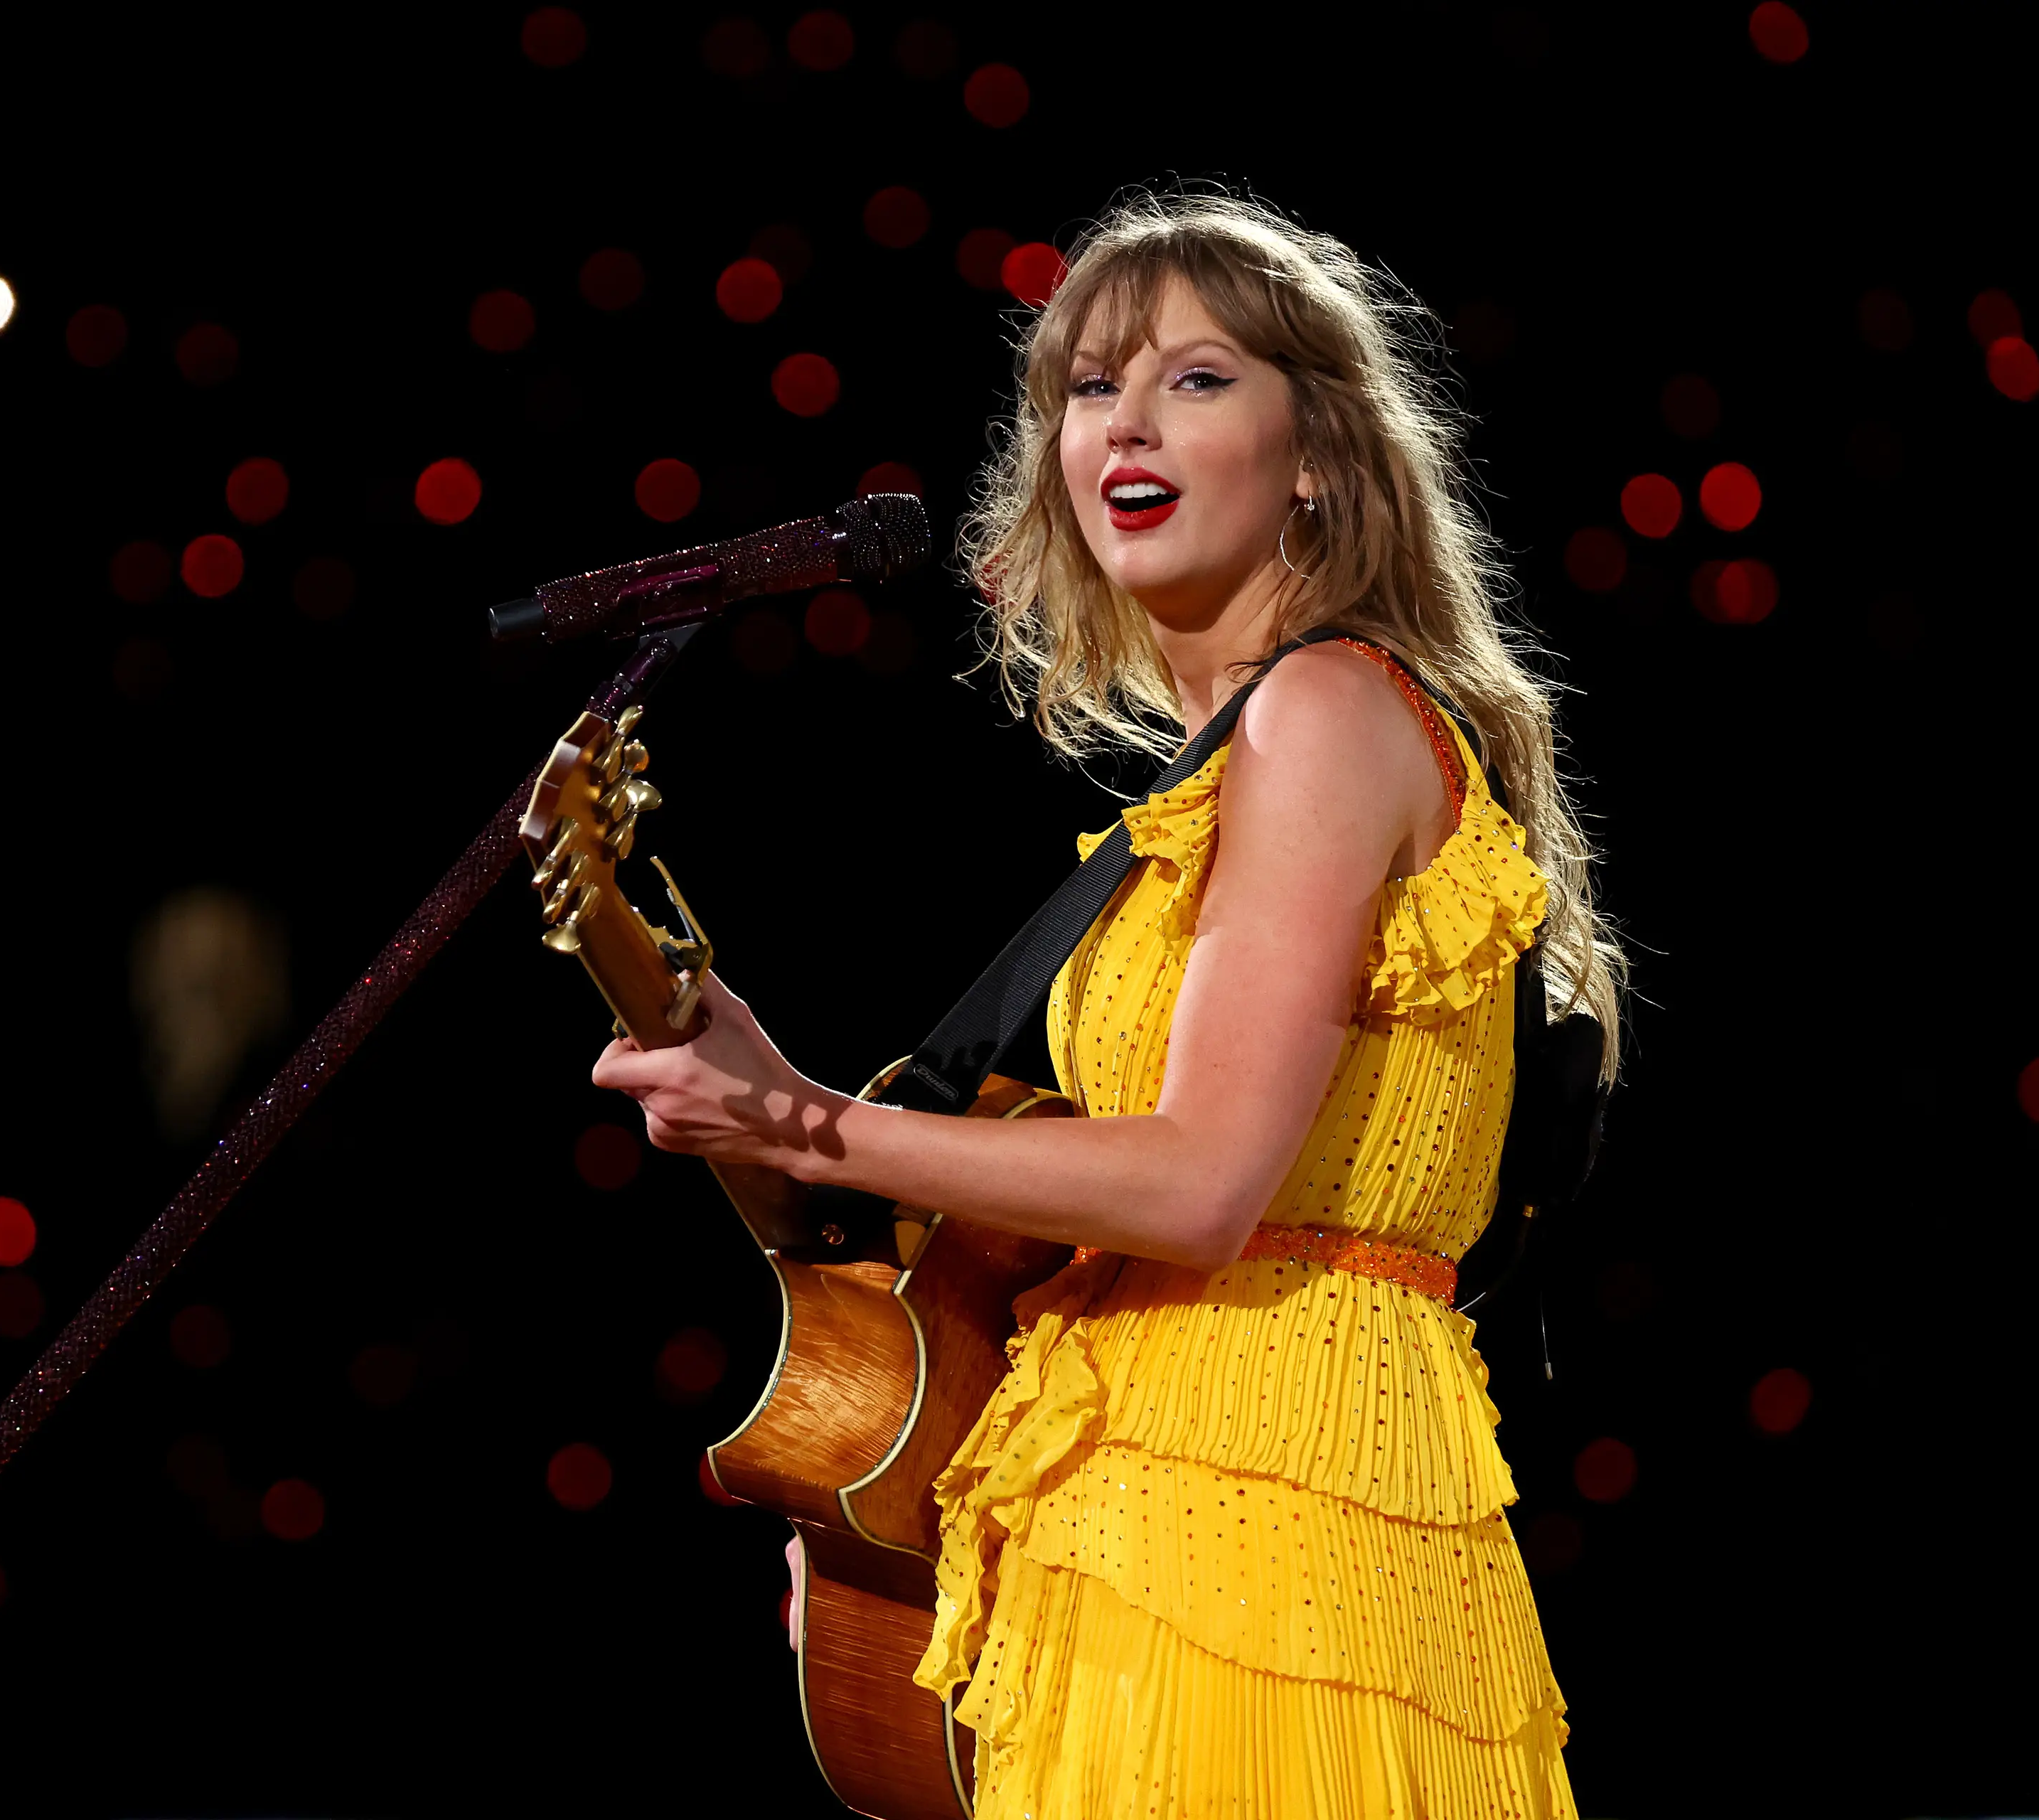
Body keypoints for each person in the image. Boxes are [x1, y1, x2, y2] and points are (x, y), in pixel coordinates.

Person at [592, 190, 1623, 1819]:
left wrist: (814, 1124)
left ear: (1320, 460)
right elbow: (1074, 1207)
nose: (1126, 423)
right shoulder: (1205, 802)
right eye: (1089, 386)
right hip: (1130, 1529)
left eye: (1197, 380)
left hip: (1265, 1536)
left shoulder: (1334, 713)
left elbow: (1202, 1182)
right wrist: (779, 1091)